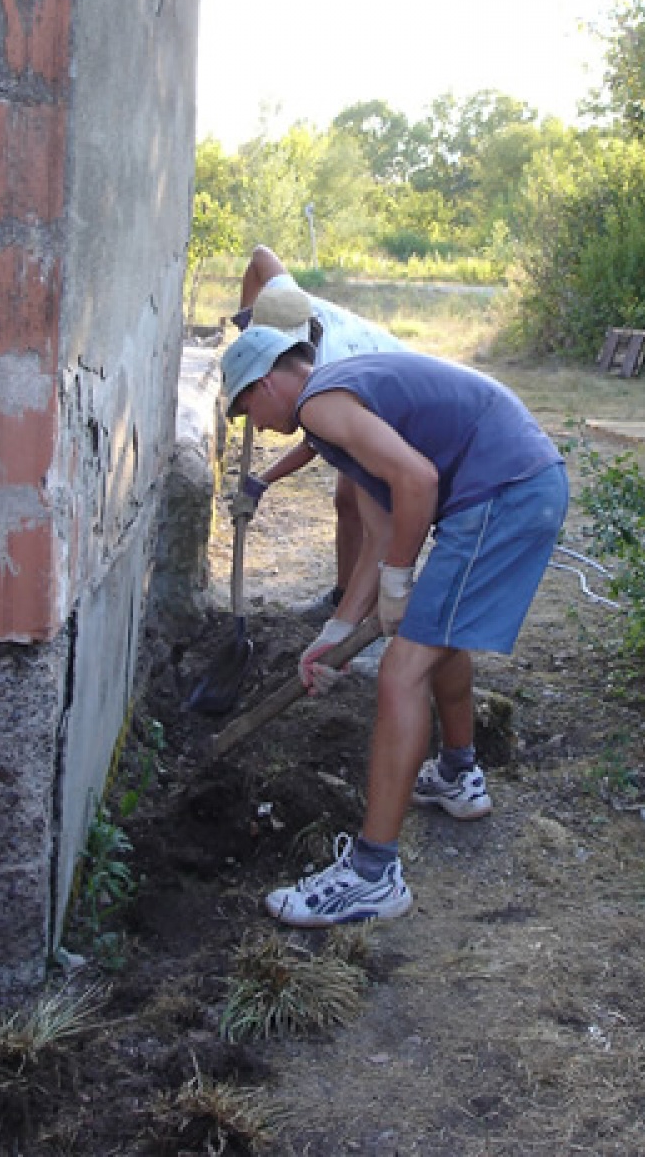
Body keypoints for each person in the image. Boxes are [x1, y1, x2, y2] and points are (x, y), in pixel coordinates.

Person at [219, 324, 569, 927]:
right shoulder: (341, 406)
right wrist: (335, 634)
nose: (255, 426)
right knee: (438, 634)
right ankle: (457, 773)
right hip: (518, 485)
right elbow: (380, 536)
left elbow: (419, 481)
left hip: (503, 493)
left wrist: (399, 581)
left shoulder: (320, 404)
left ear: (268, 382)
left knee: (401, 672)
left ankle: (372, 875)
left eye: (246, 408)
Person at [231, 246, 407, 616]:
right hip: (372, 392)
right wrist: (246, 318)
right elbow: (260, 257)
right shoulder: (283, 303)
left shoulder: (325, 370)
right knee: (347, 502)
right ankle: (343, 598)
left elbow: (315, 442)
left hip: (393, 407)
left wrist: (262, 481)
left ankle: (373, 611)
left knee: (375, 514)